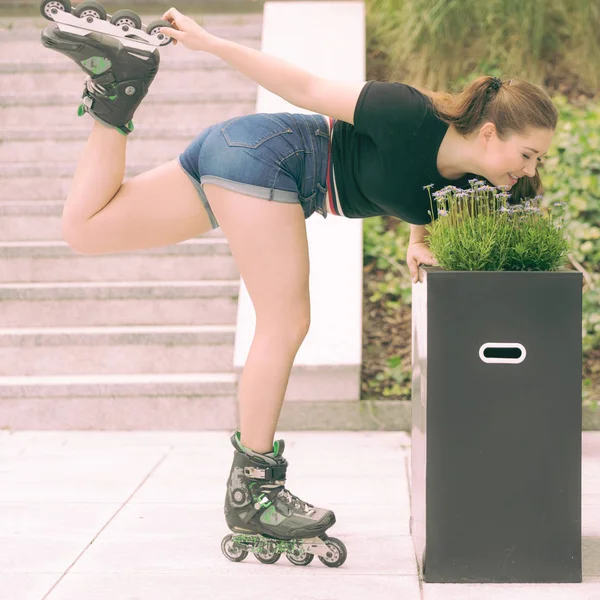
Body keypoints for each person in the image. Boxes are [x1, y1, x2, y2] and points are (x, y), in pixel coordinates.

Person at [41, 6, 557, 552]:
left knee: (86, 229)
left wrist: (418, 241)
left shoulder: (463, 179)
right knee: (286, 322)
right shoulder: (409, 112)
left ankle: (116, 90)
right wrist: (211, 43)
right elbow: (304, 86)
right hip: (273, 158)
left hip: (244, 155)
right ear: (489, 132)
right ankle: (255, 490)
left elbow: (418, 195)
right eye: (527, 154)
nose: (529, 170)